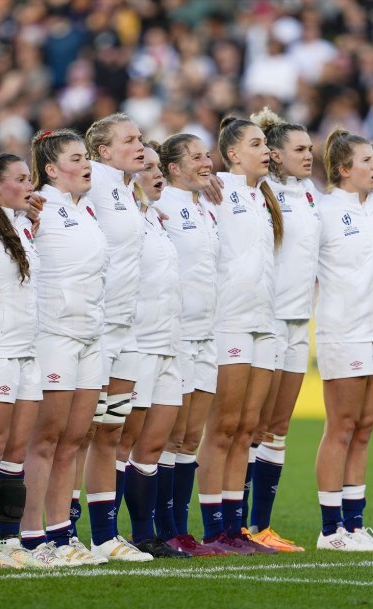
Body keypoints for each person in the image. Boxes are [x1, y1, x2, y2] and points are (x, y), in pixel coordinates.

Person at [21, 129, 118, 565]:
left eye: (87, 158)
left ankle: (61, 534)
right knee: (45, 438)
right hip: (53, 335)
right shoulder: (38, 206)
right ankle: (30, 536)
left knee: (76, 439)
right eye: (77, 158)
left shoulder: (88, 210)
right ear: (51, 170)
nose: (86, 165)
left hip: (91, 336)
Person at [195, 116, 282, 555]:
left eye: (266, 142)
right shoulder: (218, 189)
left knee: (249, 428)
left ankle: (235, 526)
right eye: (256, 143)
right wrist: (204, 178)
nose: (266, 149)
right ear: (232, 154)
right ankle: (214, 529)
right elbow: (167, 183)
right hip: (229, 319)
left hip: (264, 321)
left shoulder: (262, 196)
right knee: (223, 426)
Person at [313, 128, 373, 553]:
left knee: (364, 429)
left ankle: (355, 524)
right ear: (344, 170)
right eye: (366, 160)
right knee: (341, 427)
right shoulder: (323, 211)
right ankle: (331, 531)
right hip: (344, 330)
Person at [244, 107, 321, 552]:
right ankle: (234, 522)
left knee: (277, 428)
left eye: (311, 148)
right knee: (249, 427)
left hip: (297, 320)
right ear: (273, 154)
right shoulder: (258, 190)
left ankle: (262, 525)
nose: (309, 155)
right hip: (264, 319)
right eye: (300, 149)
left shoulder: (310, 193)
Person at [0, 152, 48, 569]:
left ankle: (12, 543)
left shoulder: (22, 225)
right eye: (19, 179)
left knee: (17, 451)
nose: (28, 184)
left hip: (27, 352)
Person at [115, 144, 190, 558]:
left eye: (161, 167)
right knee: (122, 441)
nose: (157, 174)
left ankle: (145, 535)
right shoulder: (120, 216)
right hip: (137, 343)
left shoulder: (155, 219)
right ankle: (105, 533)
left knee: (155, 443)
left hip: (168, 343)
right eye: (148, 167)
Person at [155, 133, 225, 557]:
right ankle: (164, 528)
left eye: (207, 155)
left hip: (206, 334)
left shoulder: (207, 208)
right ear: (174, 168)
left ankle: (180, 529)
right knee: (169, 437)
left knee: (189, 439)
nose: (206, 162)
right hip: (176, 335)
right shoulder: (161, 207)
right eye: (195, 157)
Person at [82, 113, 148, 558]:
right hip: (98, 329)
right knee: (78, 434)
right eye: (130, 139)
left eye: (141, 137)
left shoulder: (127, 189)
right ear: (104, 151)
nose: (140, 144)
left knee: (111, 430)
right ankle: (59, 533)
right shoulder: (95, 183)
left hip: (128, 327)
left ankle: (105, 537)